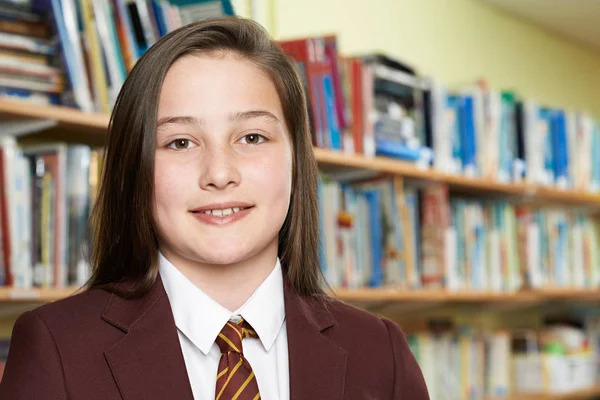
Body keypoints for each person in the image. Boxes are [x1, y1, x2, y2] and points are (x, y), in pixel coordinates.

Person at [0, 16, 429, 400]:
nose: (219, 173)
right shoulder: (56, 348)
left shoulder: (380, 352)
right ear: (136, 167)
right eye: (181, 142)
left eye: (252, 138)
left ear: (296, 159)